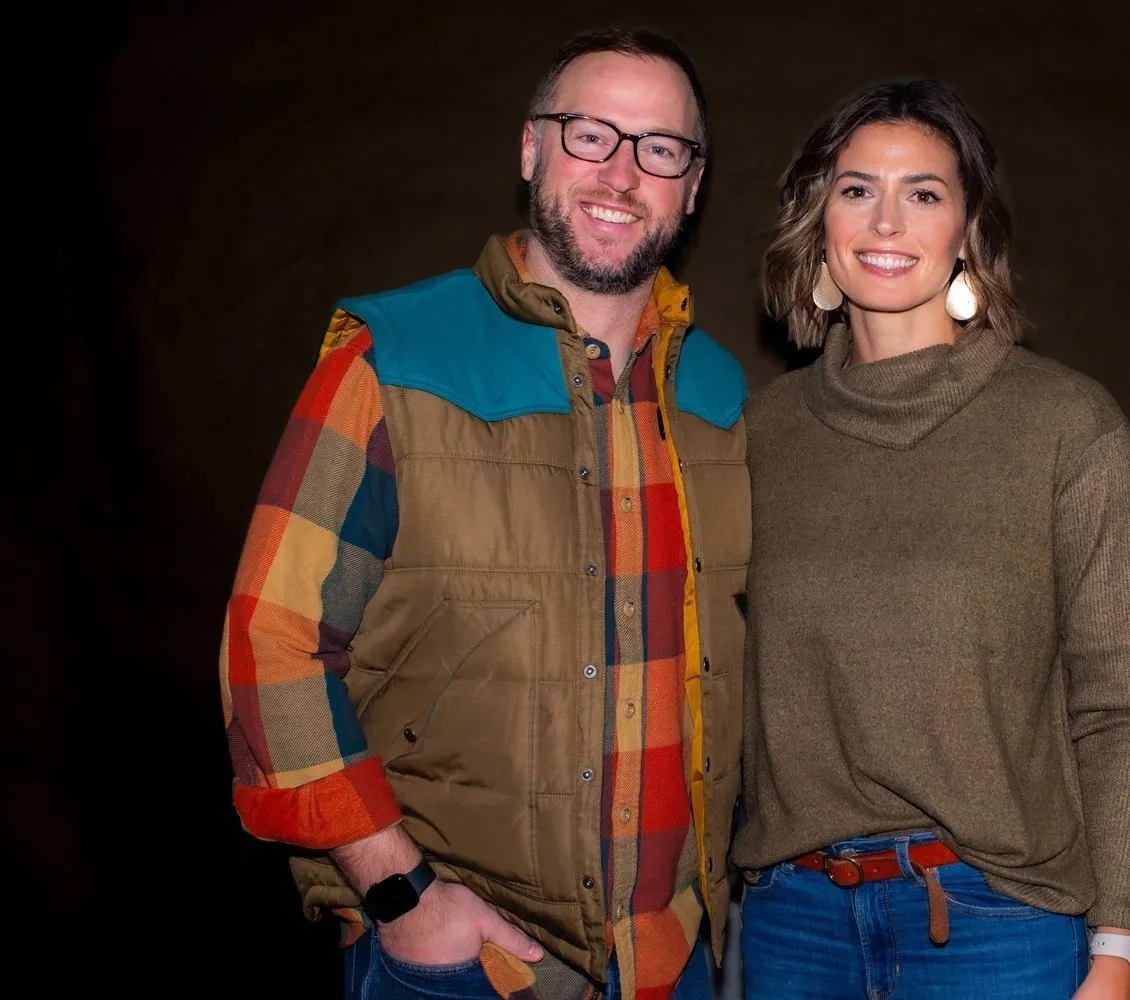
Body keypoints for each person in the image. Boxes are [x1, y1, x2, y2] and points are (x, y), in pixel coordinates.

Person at [218, 28, 750, 1000]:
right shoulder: (395, 356)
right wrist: (401, 895)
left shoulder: (721, 395)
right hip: (471, 969)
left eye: (659, 148)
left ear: (694, 183)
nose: (622, 172)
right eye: (591, 134)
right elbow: (270, 641)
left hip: (684, 965)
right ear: (531, 149)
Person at [732, 78, 1130, 1000]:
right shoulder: (761, 434)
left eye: (923, 193)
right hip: (791, 923)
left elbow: (1120, 705)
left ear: (969, 231)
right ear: (819, 220)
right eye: (856, 189)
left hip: (997, 924)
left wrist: (1118, 947)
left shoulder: (1064, 424)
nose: (886, 220)